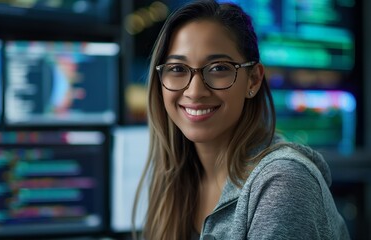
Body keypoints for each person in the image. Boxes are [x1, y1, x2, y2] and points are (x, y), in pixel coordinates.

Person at [133, 0, 351, 239]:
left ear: (253, 80)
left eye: (218, 68)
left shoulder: (282, 184)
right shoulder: (174, 178)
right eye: (177, 69)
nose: (195, 91)